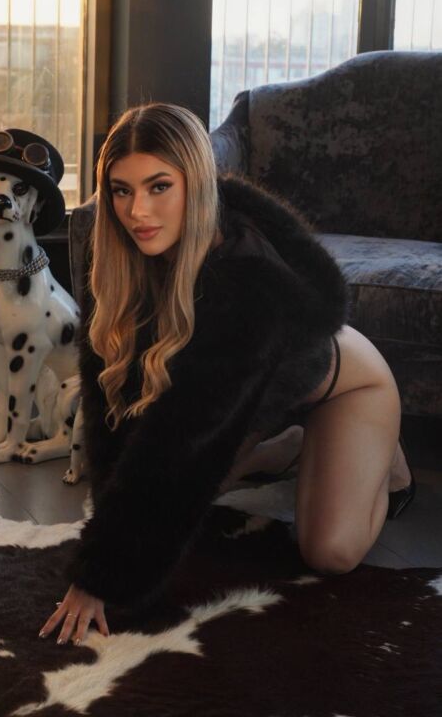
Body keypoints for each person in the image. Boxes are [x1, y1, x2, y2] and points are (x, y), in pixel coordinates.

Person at [38, 103, 415, 647]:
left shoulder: (249, 281)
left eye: (159, 186)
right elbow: (109, 413)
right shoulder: (120, 259)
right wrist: (110, 518)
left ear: (195, 184)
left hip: (349, 386)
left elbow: (179, 448)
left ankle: (386, 458)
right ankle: (288, 447)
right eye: (121, 190)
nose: (138, 211)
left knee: (329, 552)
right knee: (189, 486)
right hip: (255, 391)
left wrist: (100, 578)